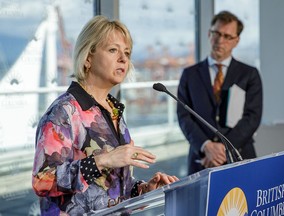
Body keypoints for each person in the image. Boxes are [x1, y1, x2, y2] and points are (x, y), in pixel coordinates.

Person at [32, 15, 178, 215]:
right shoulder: (63, 112)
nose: (123, 59)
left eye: (127, 52)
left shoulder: (114, 109)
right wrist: (103, 160)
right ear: (88, 57)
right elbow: (43, 182)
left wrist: (144, 190)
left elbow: (113, 186)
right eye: (113, 50)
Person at [177, 11, 263, 175]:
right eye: (217, 33)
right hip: (202, 159)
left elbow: (252, 117)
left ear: (236, 41)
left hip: (240, 158)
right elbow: (184, 116)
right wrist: (206, 145)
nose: (220, 40)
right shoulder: (190, 75)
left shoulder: (249, 74)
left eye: (227, 36)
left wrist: (224, 148)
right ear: (210, 34)